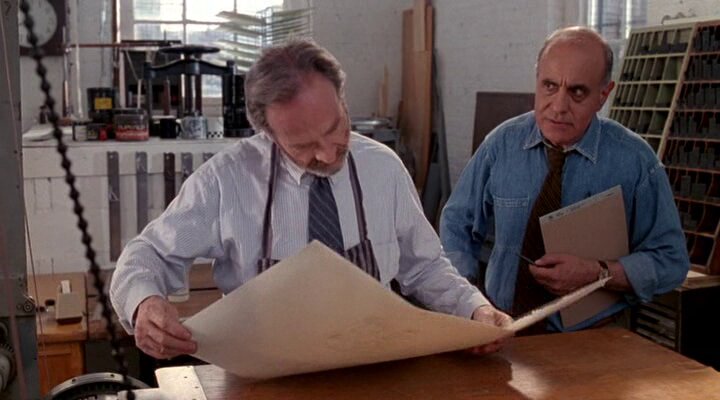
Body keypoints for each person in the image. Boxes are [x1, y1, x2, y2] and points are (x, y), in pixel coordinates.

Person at [110, 39, 512, 360]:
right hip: (266, 374)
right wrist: (145, 304)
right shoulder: (226, 179)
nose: (327, 153)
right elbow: (147, 254)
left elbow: (424, 267)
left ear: (343, 100)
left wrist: (474, 309)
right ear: (268, 134)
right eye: (302, 145)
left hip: (375, 364)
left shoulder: (383, 168)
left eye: (335, 127)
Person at [440, 26, 689, 333]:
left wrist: (598, 274)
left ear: (603, 95)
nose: (558, 107)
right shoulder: (501, 146)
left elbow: (671, 261)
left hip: (592, 338)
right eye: (549, 86)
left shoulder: (636, 162)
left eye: (577, 92)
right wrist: (469, 302)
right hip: (504, 330)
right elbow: (456, 225)